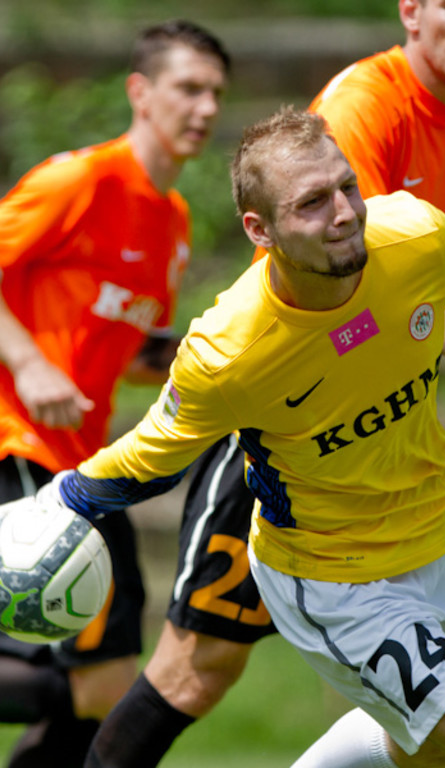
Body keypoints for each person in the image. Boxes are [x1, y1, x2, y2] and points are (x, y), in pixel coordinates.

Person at [26, 106, 445, 768]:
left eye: (346, 187)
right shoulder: (229, 350)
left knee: (438, 734)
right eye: (312, 203)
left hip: (434, 530)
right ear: (261, 230)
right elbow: (154, 456)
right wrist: (63, 500)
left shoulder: (414, 236)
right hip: (334, 579)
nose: (344, 212)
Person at [83, 3, 445, 765]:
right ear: (411, 9)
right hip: (291, 438)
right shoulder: (363, 108)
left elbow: (420, 289)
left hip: (387, 443)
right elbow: (357, 296)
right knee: (195, 671)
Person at [0, 19, 229, 767]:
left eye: (215, 94)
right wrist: (30, 364)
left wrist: (208, 363)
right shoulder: (80, 181)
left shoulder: (173, 220)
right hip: (20, 447)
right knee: (103, 687)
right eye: (188, 88)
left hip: (86, 465)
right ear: (140, 90)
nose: (204, 107)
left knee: (104, 690)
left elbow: (128, 349)